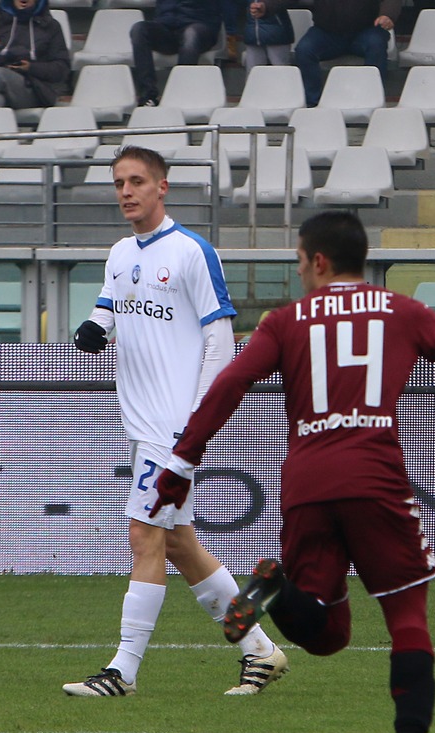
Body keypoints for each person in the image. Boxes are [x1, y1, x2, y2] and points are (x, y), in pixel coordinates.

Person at [149, 211, 435, 733]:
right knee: (407, 617)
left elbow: (230, 382)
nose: (300, 272)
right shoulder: (405, 311)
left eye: (300, 262)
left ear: (319, 261)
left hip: (306, 486)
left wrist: (181, 463)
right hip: (375, 480)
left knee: (328, 634)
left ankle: (276, 588)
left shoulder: (284, 321)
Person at [64, 145, 287, 699]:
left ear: (162, 187)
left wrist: (197, 421)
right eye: (119, 182)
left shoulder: (191, 252)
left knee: (143, 535)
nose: (126, 191)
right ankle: (260, 650)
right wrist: (95, 327)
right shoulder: (120, 253)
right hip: (142, 424)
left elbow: (221, 340)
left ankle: (123, 672)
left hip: (173, 427)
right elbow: (111, 304)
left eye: (137, 181)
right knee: (179, 544)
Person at [0, 0, 70, 114]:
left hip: (37, 91)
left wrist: (31, 67)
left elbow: (61, 69)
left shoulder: (51, 26)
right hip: (4, 88)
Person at [295, 0, 401, 108]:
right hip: (326, 32)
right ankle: (312, 103)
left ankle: (373, 99)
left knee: (376, 44)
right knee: (304, 49)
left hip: (366, 30)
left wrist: (387, 14)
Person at [129, 0, 223, 107]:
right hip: (166, 26)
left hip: (199, 25)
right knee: (139, 29)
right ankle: (148, 95)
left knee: (190, 35)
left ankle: (181, 94)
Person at [243, 0, 294, 71]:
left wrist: (266, 6)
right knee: (253, 74)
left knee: (281, 71)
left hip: (277, 34)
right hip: (252, 33)